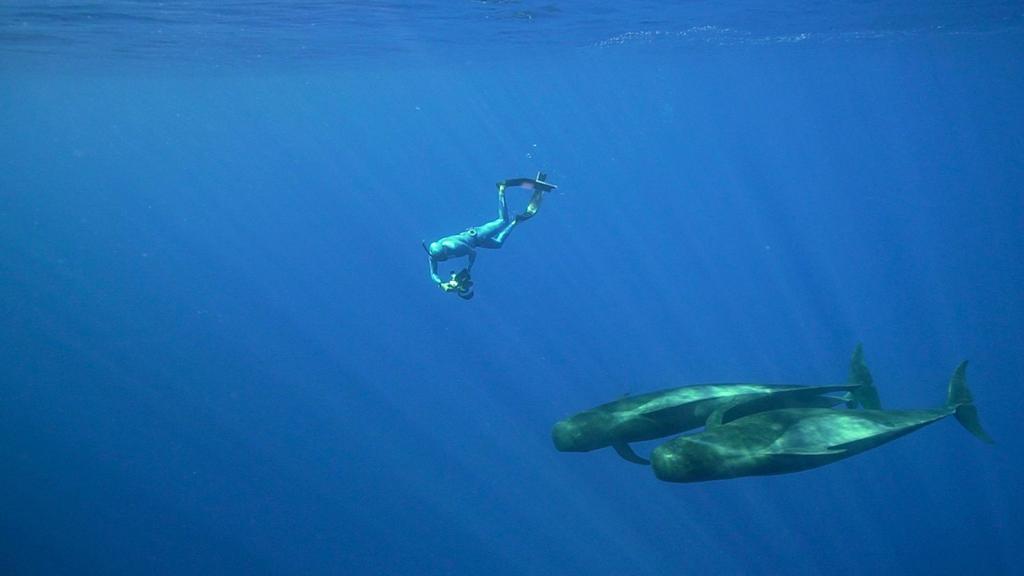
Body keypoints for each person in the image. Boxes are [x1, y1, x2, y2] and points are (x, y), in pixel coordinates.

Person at [424, 172, 557, 299]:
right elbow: (433, 274)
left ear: (444, 252)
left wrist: (469, 268)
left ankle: (501, 189)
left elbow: (472, 253)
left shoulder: (454, 247)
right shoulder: (434, 254)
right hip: (477, 242)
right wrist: (441, 284)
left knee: (502, 220)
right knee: (498, 244)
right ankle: (517, 221)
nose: (441, 261)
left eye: (442, 258)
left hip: (477, 235)